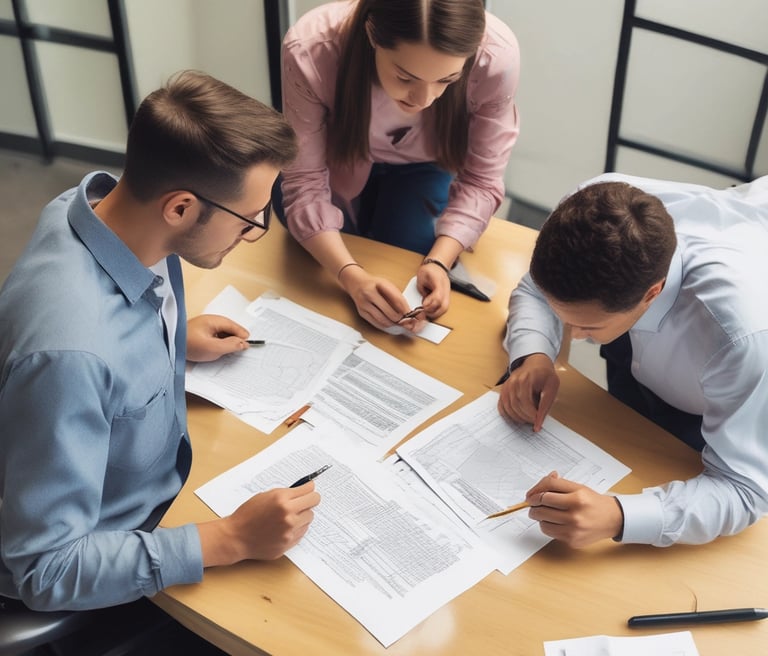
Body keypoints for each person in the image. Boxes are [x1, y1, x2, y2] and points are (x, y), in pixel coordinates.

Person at [0, 71, 320, 612]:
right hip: (113, 554)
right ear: (179, 208)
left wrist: (167, 339)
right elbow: (44, 569)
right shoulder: (73, 356)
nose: (256, 232)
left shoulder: (98, 210)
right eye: (249, 220)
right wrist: (230, 540)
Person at [498, 172, 768, 548]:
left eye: (587, 326)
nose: (572, 337)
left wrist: (619, 516)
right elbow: (537, 289)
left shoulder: (739, 338)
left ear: (651, 293)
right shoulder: (589, 211)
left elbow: (744, 488)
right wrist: (533, 355)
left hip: (728, 394)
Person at [276, 0, 520, 331]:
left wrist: (439, 260)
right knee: (314, 266)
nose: (424, 99)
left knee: (404, 262)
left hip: (425, 167)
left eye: (447, 80)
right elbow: (304, 181)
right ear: (372, 33)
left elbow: (481, 179)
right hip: (336, 161)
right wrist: (352, 277)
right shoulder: (311, 47)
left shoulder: (497, 58)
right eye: (405, 76)